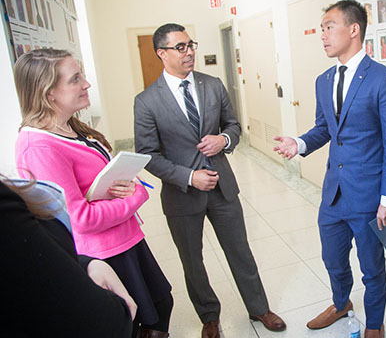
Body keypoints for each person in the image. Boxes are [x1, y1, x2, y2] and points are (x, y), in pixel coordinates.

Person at [134, 23, 285, 338]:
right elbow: (148, 154)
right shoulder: (147, 101)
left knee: (240, 251)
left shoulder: (213, 85)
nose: (189, 52)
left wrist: (223, 141)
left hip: (223, 188)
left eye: (191, 45)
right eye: (180, 47)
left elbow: (233, 125)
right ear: (161, 53)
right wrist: (189, 176)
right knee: (193, 261)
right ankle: (209, 317)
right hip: (181, 195)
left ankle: (259, 308)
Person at [272, 0, 386, 338]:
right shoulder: (324, 79)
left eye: (329, 26)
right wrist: (299, 143)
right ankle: (341, 302)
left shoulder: (384, 79)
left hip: (369, 194)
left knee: (371, 266)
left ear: (353, 29)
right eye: (321, 28)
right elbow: (325, 128)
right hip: (333, 192)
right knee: (332, 258)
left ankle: (374, 325)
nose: (322, 35)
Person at [13, 49, 173, 338]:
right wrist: (135, 195)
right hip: (103, 254)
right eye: (75, 79)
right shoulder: (39, 147)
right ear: (49, 94)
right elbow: (80, 218)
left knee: (161, 303)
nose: (87, 84)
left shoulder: (70, 127)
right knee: (140, 322)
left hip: (124, 240)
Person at [1, 177, 136, 337]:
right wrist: (136, 197)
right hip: (106, 250)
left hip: (119, 243)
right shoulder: (38, 153)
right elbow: (102, 322)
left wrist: (87, 263)